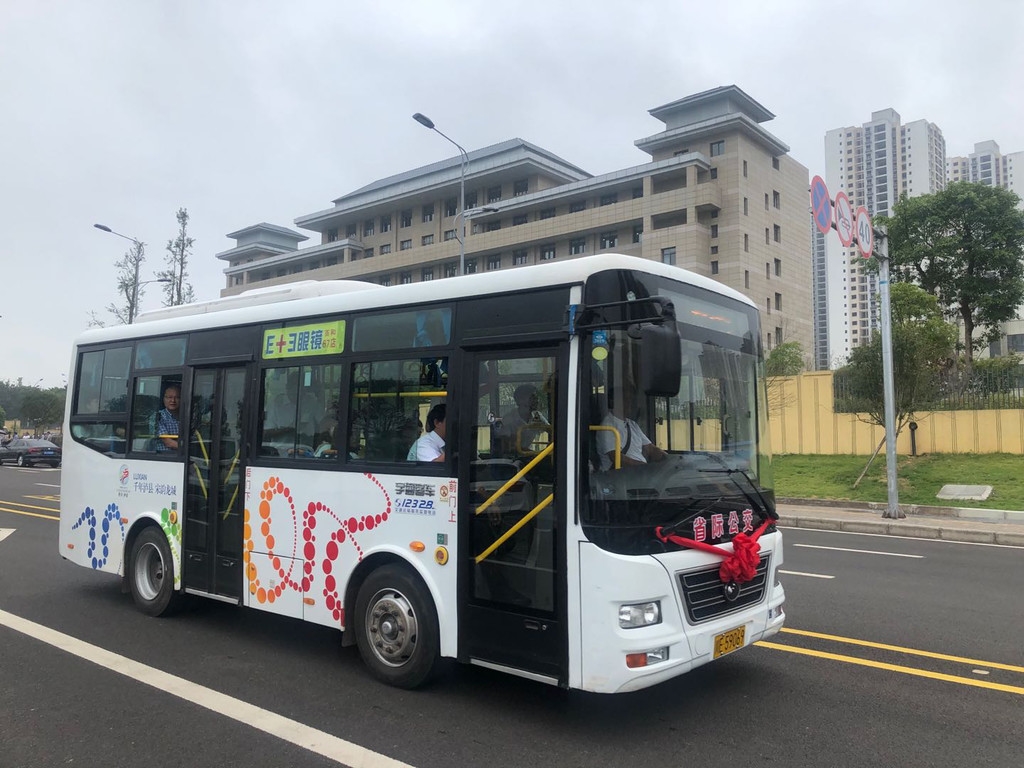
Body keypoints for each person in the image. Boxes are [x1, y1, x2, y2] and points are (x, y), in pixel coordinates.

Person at [594, 386, 666, 470]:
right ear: (613, 401)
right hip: (619, 477)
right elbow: (616, 458)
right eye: (625, 399)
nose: (629, 403)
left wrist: (669, 459)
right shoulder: (607, 426)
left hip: (638, 473)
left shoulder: (632, 424)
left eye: (630, 400)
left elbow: (650, 448)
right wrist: (645, 467)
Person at [493, 384, 549, 456]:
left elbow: (552, 432)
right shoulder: (509, 419)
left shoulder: (537, 416)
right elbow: (511, 446)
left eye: (536, 397)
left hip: (528, 456)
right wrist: (537, 454)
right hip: (511, 459)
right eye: (533, 397)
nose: (537, 400)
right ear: (520, 400)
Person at [155, 383, 181, 452]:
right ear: (164, 399)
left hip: (183, 456)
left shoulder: (186, 417)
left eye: (177, 397)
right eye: (170, 397)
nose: (173, 401)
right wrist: (189, 449)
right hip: (165, 457)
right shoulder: (159, 416)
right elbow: (168, 442)